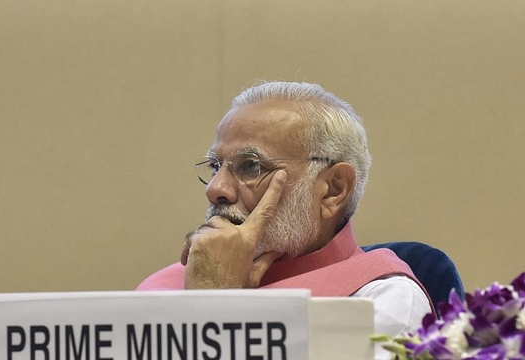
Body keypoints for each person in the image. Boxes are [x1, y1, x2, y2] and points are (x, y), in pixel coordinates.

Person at [137, 81, 433, 358]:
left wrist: (214, 306)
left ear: (333, 189)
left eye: (250, 167)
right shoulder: (168, 285)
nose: (215, 189)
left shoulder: (381, 300)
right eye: (216, 166)